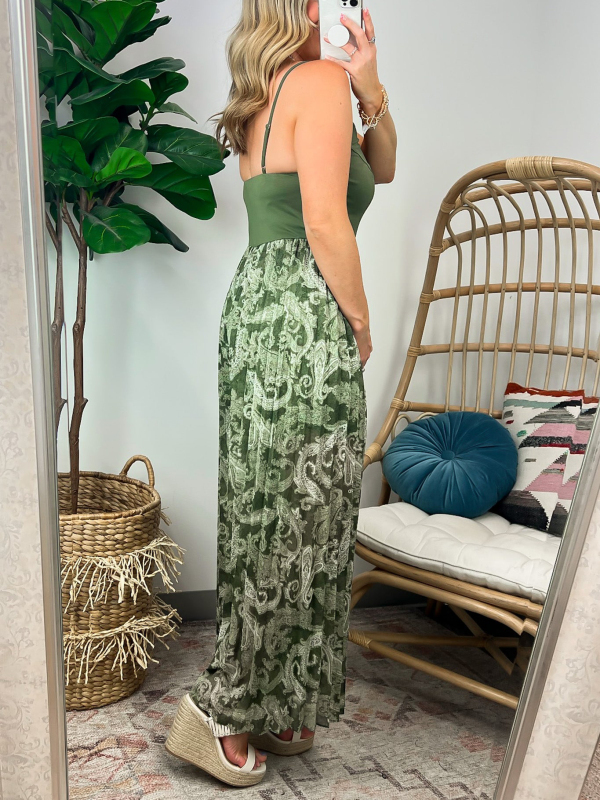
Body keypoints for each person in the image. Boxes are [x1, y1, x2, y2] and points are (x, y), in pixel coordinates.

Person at [166, 0, 396, 787]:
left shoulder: (265, 94)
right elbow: (326, 222)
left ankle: (276, 694)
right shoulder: (317, 83)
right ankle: (220, 710)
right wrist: (359, 320)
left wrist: (372, 87)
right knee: (299, 518)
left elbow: (381, 167)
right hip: (304, 311)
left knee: (273, 509)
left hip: (258, 307)